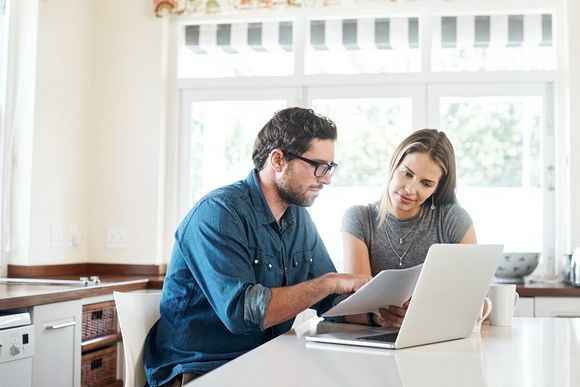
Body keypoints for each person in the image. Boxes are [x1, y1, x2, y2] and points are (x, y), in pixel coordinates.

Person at [143, 107, 370, 387]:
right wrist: (330, 283)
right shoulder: (218, 213)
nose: (326, 179)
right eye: (318, 166)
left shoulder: (298, 218)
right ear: (278, 160)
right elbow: (243, 313)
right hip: (199, 369)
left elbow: (329, 300)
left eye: (330, 167)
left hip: (263, 362)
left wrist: (377, 312)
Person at [341, 129, 476, 329]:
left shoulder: (452, 219)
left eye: (426, 183)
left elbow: (474, 298)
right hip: (376, 339)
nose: (410, 189)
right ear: (394, 165)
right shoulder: (359, 218)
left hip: (434, 336)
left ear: (437, 188)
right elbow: (358, 303)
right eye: (407, 173)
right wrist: (380, 318)